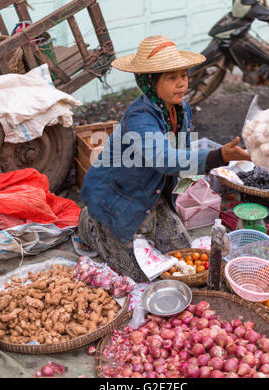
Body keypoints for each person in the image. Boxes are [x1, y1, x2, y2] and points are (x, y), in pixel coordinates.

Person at [78, 35, 250, 282]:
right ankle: (90, 222)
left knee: (183, 261)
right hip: (117, 200)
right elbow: (165, 159)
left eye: (184, 75)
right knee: (143, 276)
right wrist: (218, 156)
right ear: (150, 81)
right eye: (172, 78)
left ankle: (143, 221)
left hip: (154, 196)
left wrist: (184, 190)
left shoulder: (181, 109)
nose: (182, 84)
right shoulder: (139, 117)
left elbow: (183, 154)